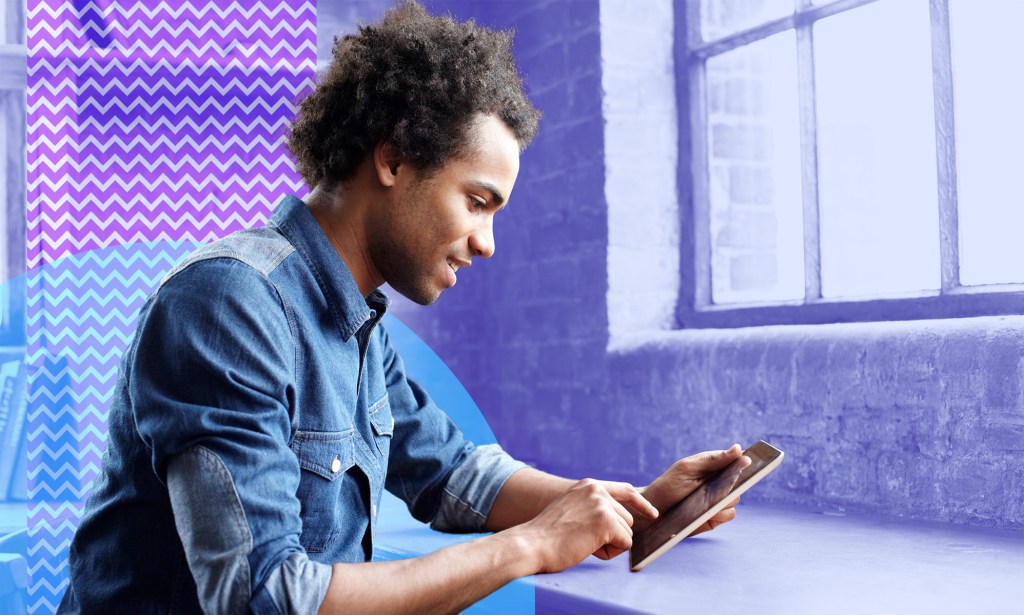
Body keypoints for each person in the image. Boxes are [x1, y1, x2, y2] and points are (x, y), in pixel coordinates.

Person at [58, 2, 750, 613]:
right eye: (477, 201)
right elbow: (264, 595)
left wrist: (634, 504)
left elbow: (453, 474)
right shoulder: (226, 307)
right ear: (393, 161)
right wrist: (530, 546)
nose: (487, 242)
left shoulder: (355, 318)